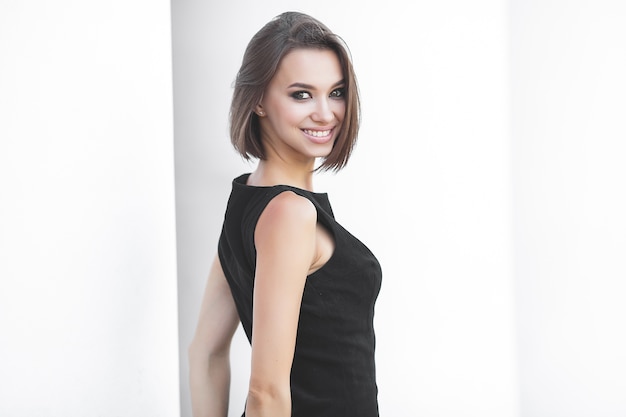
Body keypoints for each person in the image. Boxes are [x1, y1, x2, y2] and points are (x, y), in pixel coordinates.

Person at [188, 11, 382, 417]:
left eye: (337, 92)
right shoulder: (289, 215)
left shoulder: (249, 201)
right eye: (301, 94)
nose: (327, 114)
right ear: (258, 100)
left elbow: (205, 353)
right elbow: (265, 393)